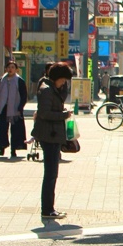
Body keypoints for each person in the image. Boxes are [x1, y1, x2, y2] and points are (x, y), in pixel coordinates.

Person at [31, 63, 73, 219]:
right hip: (49, 135)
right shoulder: (47, 90)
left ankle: (49, 208)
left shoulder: (50, 88)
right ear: (57, 78)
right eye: (63, 80)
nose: (64, 83)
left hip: (51, 134)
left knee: (51, 173)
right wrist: (63, 115)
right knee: (50, 174)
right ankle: (47, 209)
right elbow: (44, 113)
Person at [0, 60, 28, 158]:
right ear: (6, 68)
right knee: (3, 129)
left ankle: (13, 149)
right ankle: (2, 147)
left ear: (16, 70)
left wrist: (21, 106)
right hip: (3, 108)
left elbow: (24, 95)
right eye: (8, 67)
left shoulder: (19, 81)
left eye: (13, 67)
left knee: (15, 130)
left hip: (15, 109)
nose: (10, 69)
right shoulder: (1, 80)